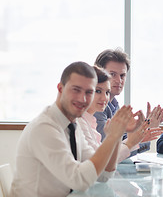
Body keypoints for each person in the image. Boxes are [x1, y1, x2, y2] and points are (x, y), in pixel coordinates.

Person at [10, 61, 142, 197]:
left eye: (89, 92)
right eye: (76, 90)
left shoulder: (73, 126)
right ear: (60, 88)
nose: (83, 99)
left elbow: (103, 175)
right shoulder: (45, 128)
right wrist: (112, 137)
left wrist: (117, 134)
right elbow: (79, 181)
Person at [78, 65, 163, 162]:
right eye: (98, 91)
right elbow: (100, 162)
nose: (105, 98)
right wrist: (129, 141)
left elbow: (106, 156)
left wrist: (134, 138)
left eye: (107, 92)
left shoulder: (90, 121)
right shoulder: (80, 123)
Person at [93, 48, 163, 155]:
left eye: (122, 75)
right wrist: (139, 137)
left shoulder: (114, 105)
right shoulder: (97, 107)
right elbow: (110, 149)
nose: (119, 80)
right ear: (99, 74)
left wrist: (145, 128)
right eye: (112, 74)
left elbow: (123, 139)